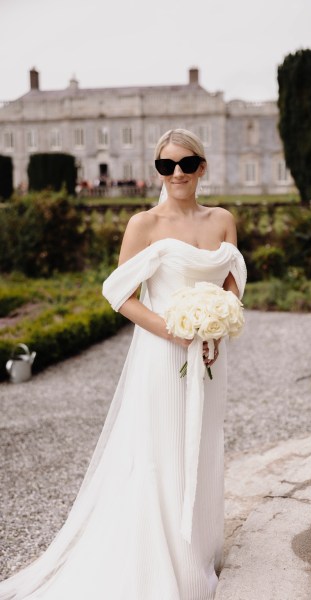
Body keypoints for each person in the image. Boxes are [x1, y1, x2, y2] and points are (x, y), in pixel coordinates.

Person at [0, 129, 246, 600]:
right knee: (164, 450)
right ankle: (165, 566)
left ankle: (197, 553)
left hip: (211, 355)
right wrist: (174, 330)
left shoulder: (223, 220)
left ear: (202, 166)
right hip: (164, 353)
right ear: (157, 171)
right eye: (166, 165)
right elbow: (120, 295)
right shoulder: (144, 225)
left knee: (204, 443)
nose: (177, 174)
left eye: (186, 163)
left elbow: (234, 279)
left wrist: (217, 324)